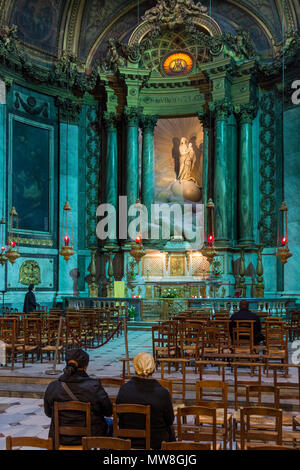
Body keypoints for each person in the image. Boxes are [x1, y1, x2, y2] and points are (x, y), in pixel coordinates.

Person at [44, 349, 113, 446]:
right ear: (85, 366)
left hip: (60, 437)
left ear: (66, 363)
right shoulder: (94, 386)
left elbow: (48, 413)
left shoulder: (53, 386)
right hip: (90, 437)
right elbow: (108, 411)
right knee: (110, 423)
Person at [116, 352, 175, 449]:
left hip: (128, 441)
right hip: (155, 442)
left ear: (135, 368)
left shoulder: (124, 389)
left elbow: (120, 415)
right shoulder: (162, 393)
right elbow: (169, 420)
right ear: (153, 368)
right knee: (170, 429)